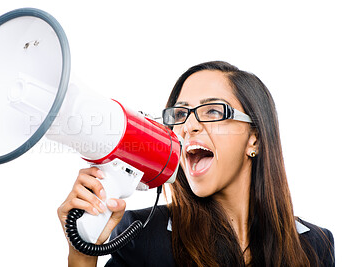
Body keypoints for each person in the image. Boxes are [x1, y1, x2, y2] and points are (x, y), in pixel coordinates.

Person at [57, 61, 335, 266]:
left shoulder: (315, 244)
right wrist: (81, 253)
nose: (188, 126)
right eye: (180, 113)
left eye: (213, 110)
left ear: (255, 139)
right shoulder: (140, 233)